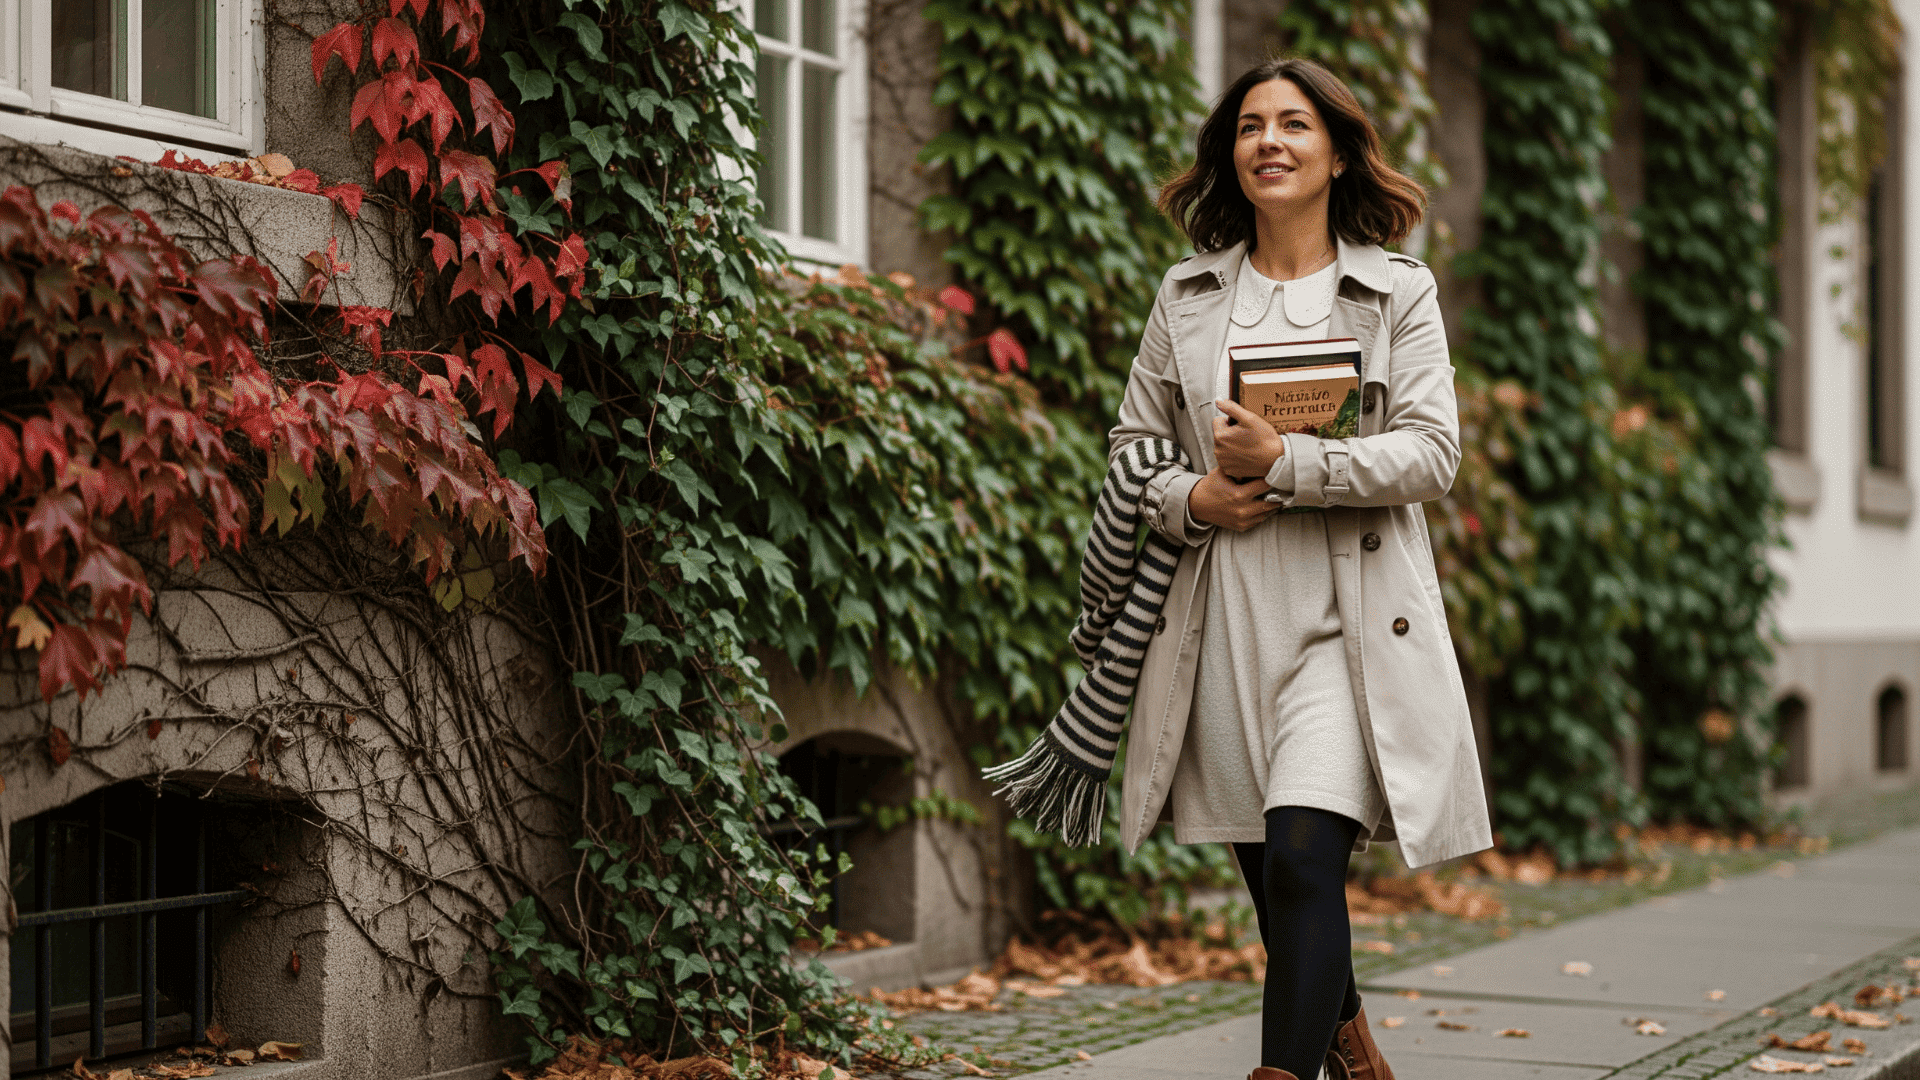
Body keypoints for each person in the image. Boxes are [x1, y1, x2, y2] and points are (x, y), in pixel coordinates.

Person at [1108, 58, 1494, 1080]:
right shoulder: (1187, 295)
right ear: (1229, 157)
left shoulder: (1395, 291)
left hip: (1350, 618)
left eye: (1292, 124)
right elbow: (1132, 448)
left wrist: (1292, 464)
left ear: (1335, 152)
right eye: (1248, 127)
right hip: (1222, 616)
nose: (1268, 141)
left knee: (1300, 856)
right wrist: (1195, 498)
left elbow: (1430, 453)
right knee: (1282, 881)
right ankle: (1354, 1047)